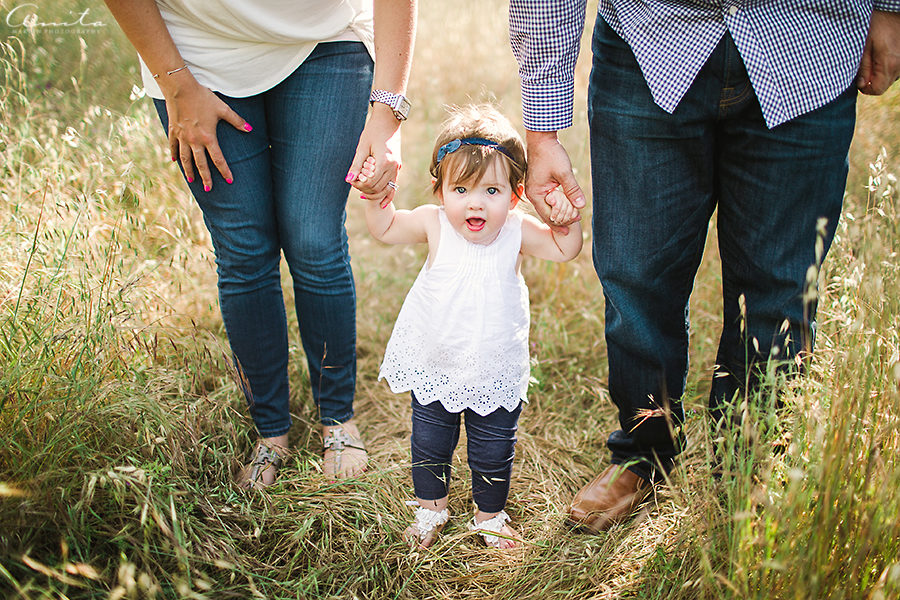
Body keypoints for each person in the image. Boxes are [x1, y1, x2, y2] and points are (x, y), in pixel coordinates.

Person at [508, 0, 900, 532]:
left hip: (812, 41)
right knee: (636, 275)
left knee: (779, 287)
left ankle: (747, 468)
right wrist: (542, 125)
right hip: (650, 40)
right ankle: (644, 454)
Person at [103, 0, 416, 486]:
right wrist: (177, 84)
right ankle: (270, 431)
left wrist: (388, 111)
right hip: (195, 57)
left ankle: (337, 417)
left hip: (326, 43)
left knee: (314, 238)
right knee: (244, 250)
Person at [361, 105, 582, 549]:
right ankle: (431, 509)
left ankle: (489, 516)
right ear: (439, 191)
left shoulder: (517, 231)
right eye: (460, 188)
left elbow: (565, 249)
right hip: (437, 360)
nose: (475, 202)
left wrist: (565, 217)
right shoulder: (434, 222)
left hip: (494, 365)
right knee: (430, 443)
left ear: (516, 195)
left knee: (494, 447)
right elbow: (385, 228)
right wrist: (373, 196)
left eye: (492, 190)